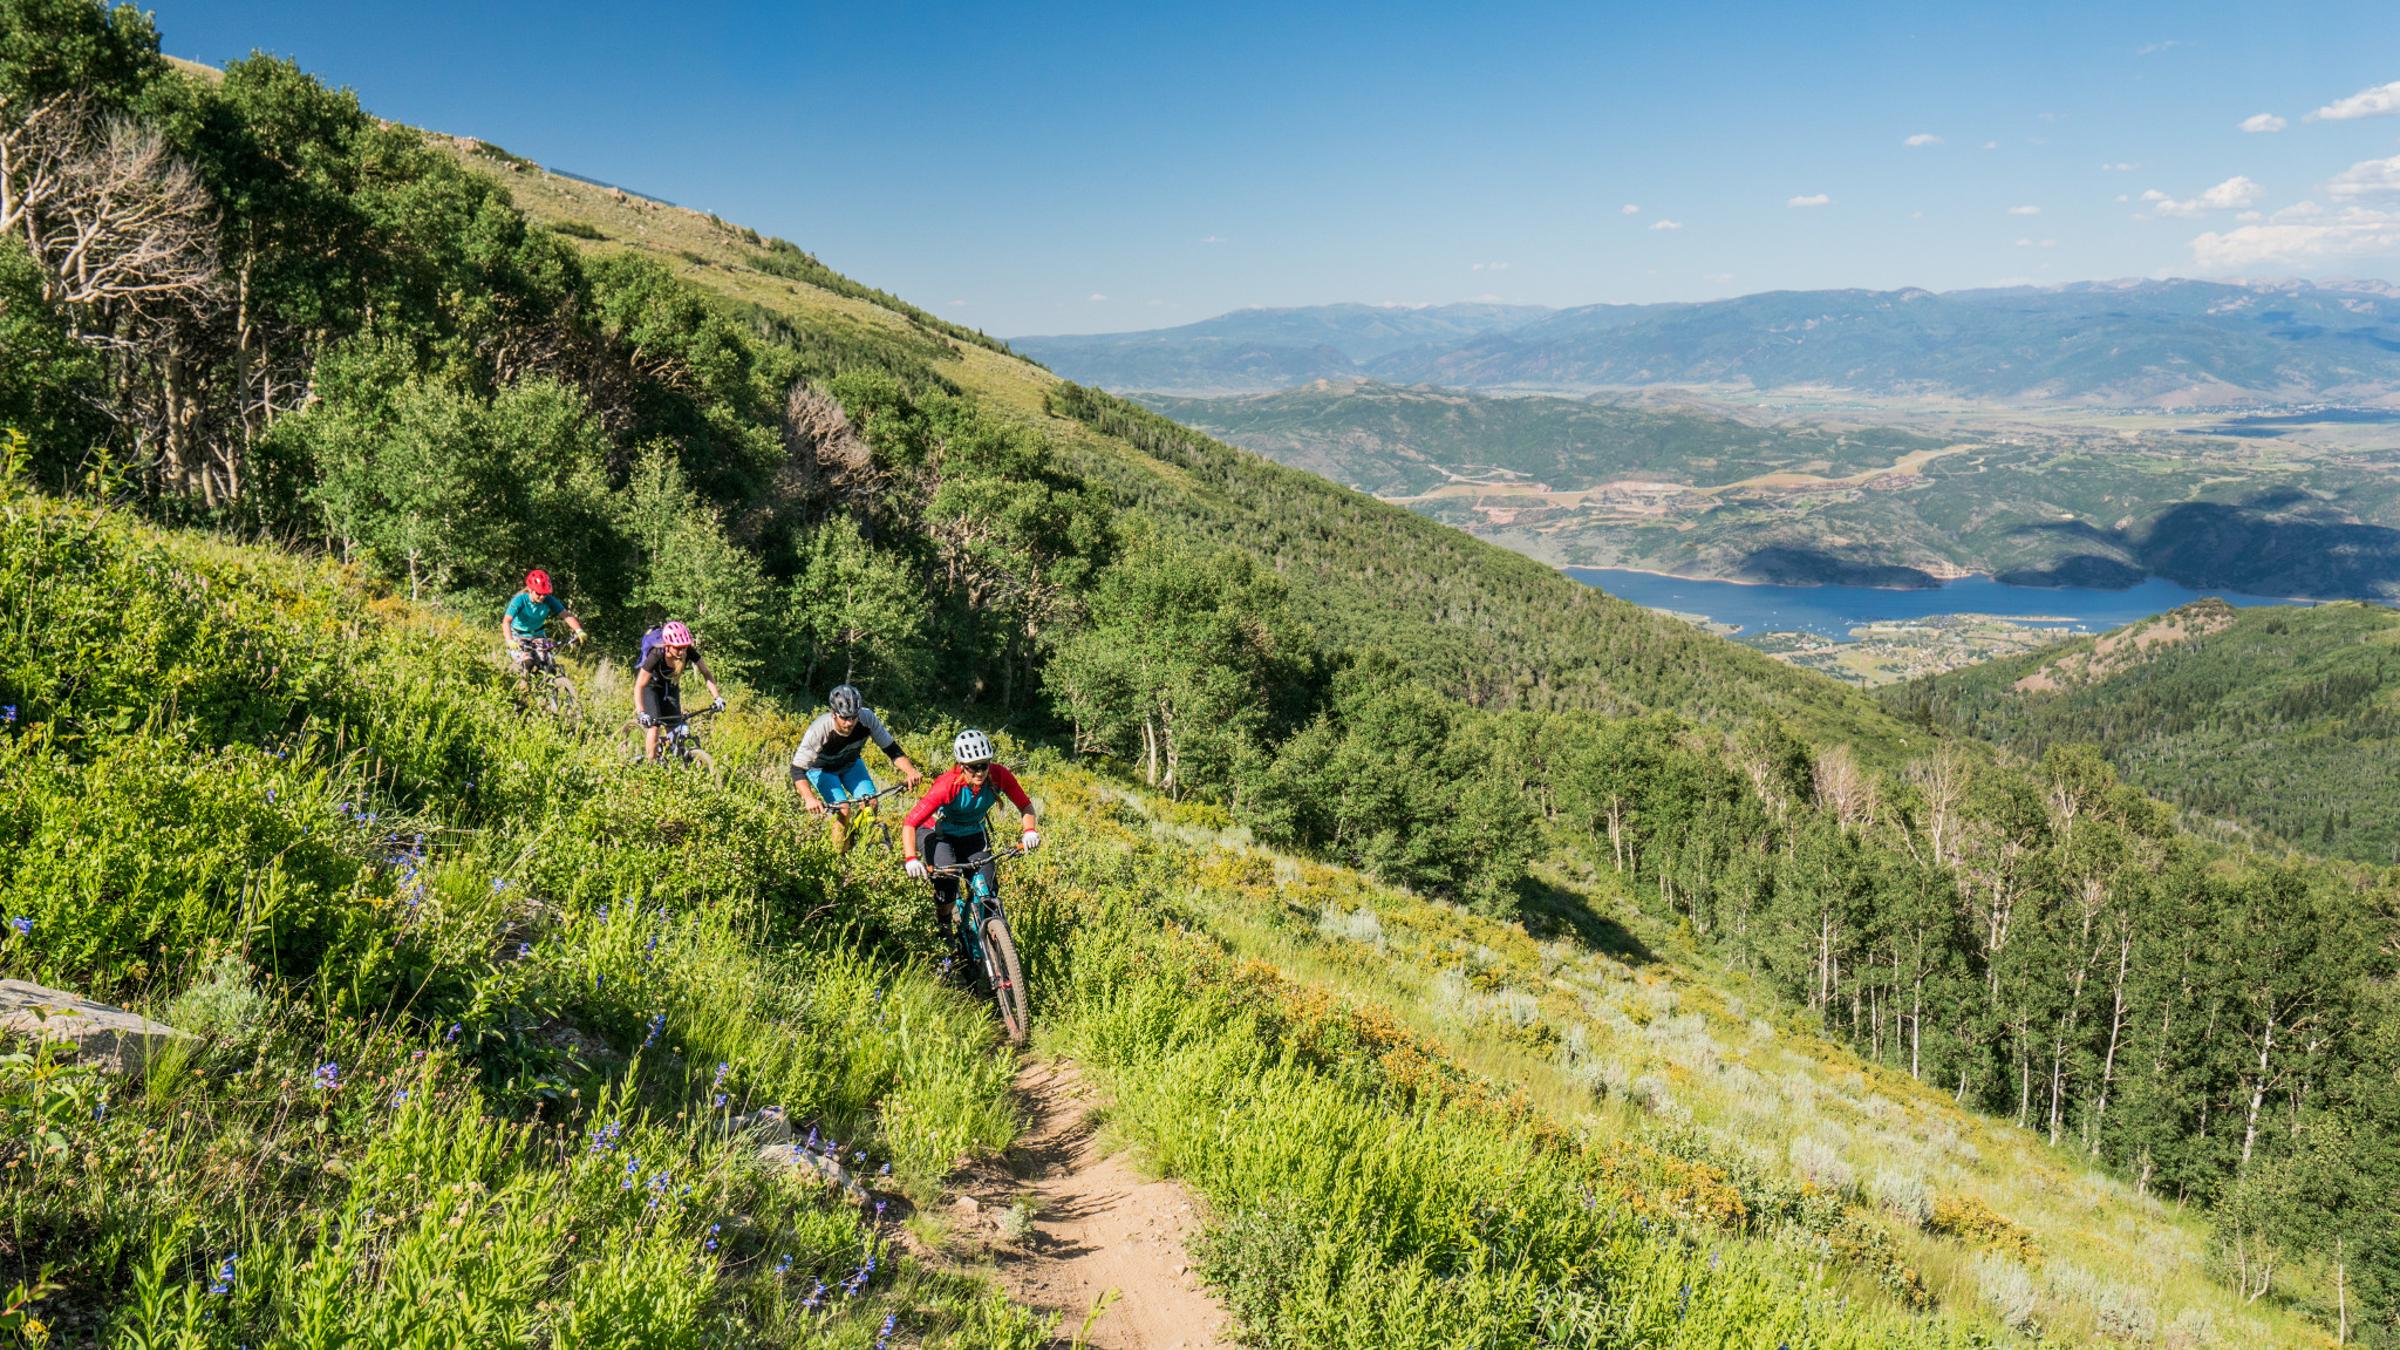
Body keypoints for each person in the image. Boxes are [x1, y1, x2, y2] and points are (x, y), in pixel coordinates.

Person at [901, 729, 1040, 973]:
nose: (979, 772)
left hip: (972, 834)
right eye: (972, 767)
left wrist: (1029, 831)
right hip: (938, 833)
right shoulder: (947, 786)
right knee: (947, 879)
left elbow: (1025, 805)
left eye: (983, 765)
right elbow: (910, 822)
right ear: (961, 766)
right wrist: (911, 858)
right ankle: (945, 923)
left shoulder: (999, 776)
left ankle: (987, 939)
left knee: (986, 889)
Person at [790, 683, 923, 853]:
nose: (850, 722)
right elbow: (797, 769)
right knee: (843, 810)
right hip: (822, 770)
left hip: (851, 764)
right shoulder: (819, 730)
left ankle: (856, 842)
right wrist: (809, 798)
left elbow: (891, 749)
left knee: (871, 803)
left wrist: (910, 771)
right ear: (833, 714)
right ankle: (841, 856)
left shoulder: (867, 718)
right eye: (844, 717)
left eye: (854, 716)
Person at [632, 620, 724, 762]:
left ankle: (676, 761)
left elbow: (706, 673)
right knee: (654, 726)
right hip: (650, 687)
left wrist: (717, 697)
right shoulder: (656, 654)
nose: (682, 652)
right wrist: (641, 712)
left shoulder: (687, 651)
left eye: (684, 648)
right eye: (678, 648)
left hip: (670, 686)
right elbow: (639, 685)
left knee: (678, 729)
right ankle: (650, 766)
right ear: (667, 646)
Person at [500, 569, 586, 668]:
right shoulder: (520, 600)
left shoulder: (549, 600)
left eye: (545, 594)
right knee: (527, 661)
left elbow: (566, 615)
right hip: (517, 635)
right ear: (530, 589)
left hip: (538, 635)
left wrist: (579, 630)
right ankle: (523, 681)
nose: (542, 597)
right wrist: (510, 640)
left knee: (548, 661)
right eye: (539, 593)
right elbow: (506, 621)